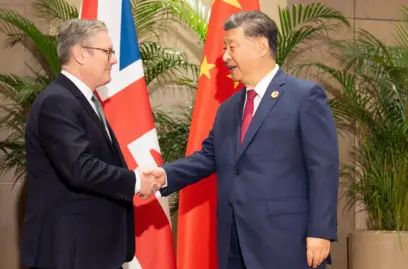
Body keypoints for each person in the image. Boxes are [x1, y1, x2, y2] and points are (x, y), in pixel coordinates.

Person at [143, 10, 339, 269]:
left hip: (287, 241)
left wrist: (320, 231)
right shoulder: (227, 108)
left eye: (231, 47)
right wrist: (165, 175)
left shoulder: (304, 96)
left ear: (260, 46)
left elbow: (323, 167)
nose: (224, 56)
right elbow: (210, 156)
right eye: (224, 48)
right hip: (233, 240)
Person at [20, 19, 158, 269]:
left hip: (90, 250)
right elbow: (80, 168)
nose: (114, 60)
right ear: (80, 54)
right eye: (107, 52)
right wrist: (136, 181)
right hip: (70, 252)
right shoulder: (58, 102)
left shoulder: (81, 100)